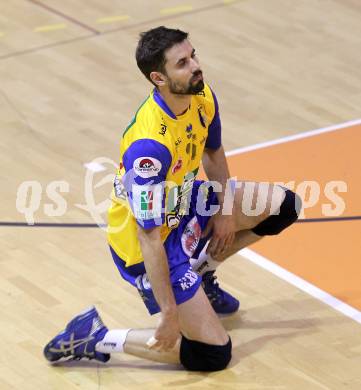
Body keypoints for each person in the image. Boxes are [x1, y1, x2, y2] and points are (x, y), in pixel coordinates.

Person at [44, 26, 301, 371]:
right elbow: (147, 237)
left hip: (185, 201)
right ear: (158, 78)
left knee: (285, 206)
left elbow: (213, 151)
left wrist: (225, 212)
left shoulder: (201, 96)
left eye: (193, 55)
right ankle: (94, 335)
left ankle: (203, 274)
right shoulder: (149, 148)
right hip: (150, 243)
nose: (195, 65)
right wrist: (168, 314)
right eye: (182, 62)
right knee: (213, 354)